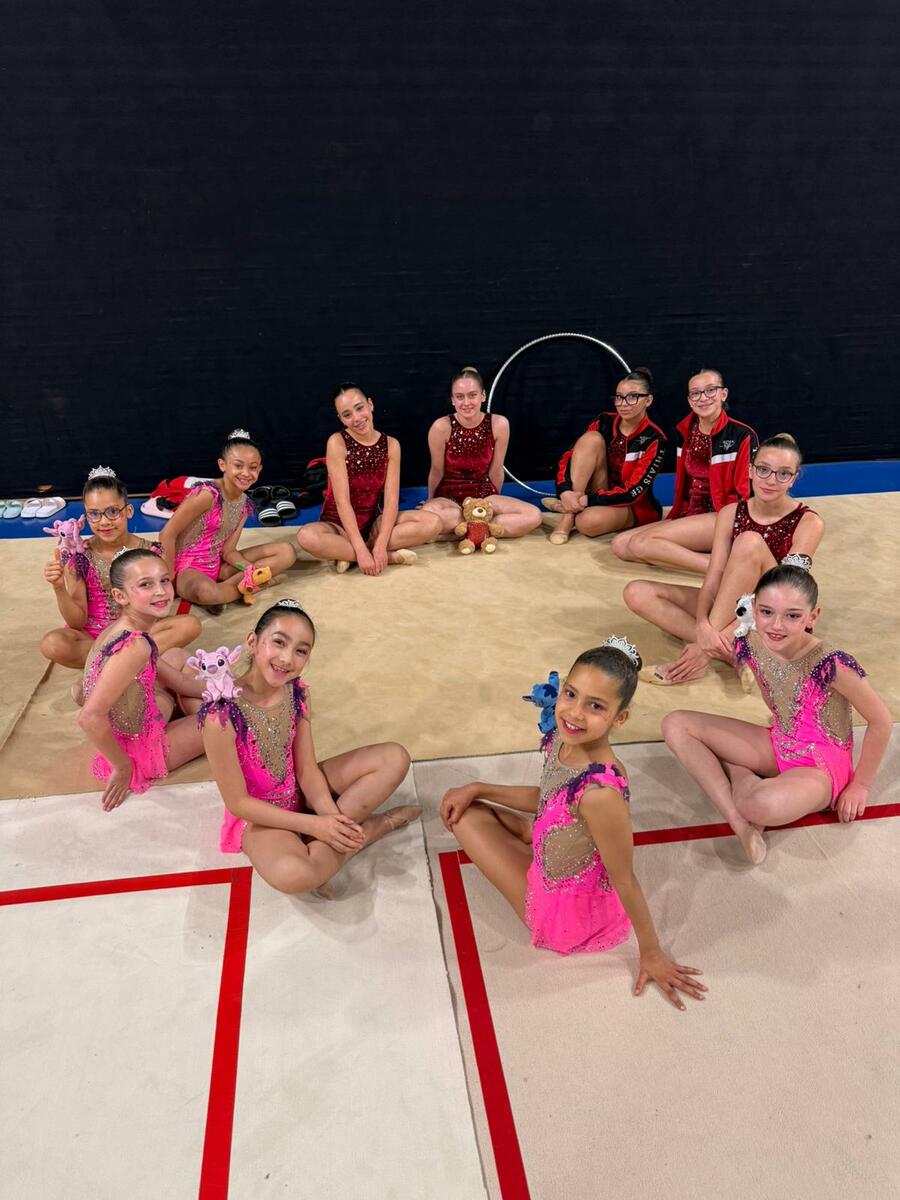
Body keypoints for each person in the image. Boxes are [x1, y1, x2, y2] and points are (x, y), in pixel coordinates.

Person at [440, 639, 706, 1010]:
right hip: (553, 840)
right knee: (468, 803)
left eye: (595, 706)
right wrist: (478, 787)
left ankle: (529, 844)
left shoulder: (601, 793)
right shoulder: (562, 739)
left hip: (564, 906)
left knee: (465, 818)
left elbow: (625, 878)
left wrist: (652, 952)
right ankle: (522, 830)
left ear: (619, 718)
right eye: (571, 694)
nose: (575, 713)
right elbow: (548, 796)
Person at [662, 565, 891, 864]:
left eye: (792, 616)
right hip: (779, 741)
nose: (776, 625)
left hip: (821, 765)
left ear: (813, 616)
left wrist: (861, 785)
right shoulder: (751, 641)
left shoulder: (832, 664)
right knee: (675, 724)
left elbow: (881, 721)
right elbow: (775, 701)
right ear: (754, 608)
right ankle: (739, 823)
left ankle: (738, 773)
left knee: (759, 804)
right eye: (767, 612)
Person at [199, 599, 421, 893]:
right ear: (252, 642)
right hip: (259, 816)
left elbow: (306, 769)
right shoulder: (220, 715)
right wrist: (314, 826)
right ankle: (371, 829)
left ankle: (329, 844)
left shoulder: (297, 692)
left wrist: (330, 817)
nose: (287, 658)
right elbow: (238, 803)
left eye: (301, 651)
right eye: (279, 642)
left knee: (394, 757)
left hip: (298, 790)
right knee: (295, 875)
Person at [624, 434, 824, 684]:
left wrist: (706, 644)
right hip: (730, 605)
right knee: (636, 592)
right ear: (750, 470)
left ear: (794, 478)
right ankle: (736, 654)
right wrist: (702, 625)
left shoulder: (809, 522)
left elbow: (788, 592)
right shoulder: (730, 513)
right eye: (763, 470)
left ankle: (700, 657)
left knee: (749, 541)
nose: (771, 480)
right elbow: (715, 576)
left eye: (783, 474)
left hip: (774, 615)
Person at [78, 548, 206, 811]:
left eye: (164, 580)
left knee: (177, 655)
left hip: (134, 717)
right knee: (225, 719)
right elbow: (89, 717)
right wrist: (122, 766)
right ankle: (198, 712)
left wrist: (227, 688)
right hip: (137, 751)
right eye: (146, 584)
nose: (161, 591)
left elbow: (179, 681)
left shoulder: (125, 629)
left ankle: (195, 708)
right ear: (120, 596)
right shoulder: (135, 645)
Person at [611, 368, 757, 573]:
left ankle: (722, 570)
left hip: (723, 515)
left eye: (710, 390)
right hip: (690, 512)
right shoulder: (686, 431)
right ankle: (712, 556)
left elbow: (749, 494)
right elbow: (684, 484)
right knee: (620, 545)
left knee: (640, 544)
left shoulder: (742, 435)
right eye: (695, 393)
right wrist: (678, 513)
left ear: (723, 394)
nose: (703, 398)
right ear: (689, 400)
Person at [296, 383, 442, 574]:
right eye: (347, 414)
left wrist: (381, 543)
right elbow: (342, 501)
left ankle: (356, 554)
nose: (357, 418)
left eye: (359, 408)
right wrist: (360, 549)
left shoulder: (391, 445)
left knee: (433, 523)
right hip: (338, 526)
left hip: (373, 522)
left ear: (370, 404)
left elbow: (391, 500)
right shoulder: (337, 442)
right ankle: (380, 555)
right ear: (340, 418)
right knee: (307, 536)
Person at [159, 428, 296, 611]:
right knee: (206, 593)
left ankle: (240, 586)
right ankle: (250, 586)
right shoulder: (207, 495)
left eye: (252, 467)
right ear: (222, 465)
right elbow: (166, 534)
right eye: (238, 466)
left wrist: (248, 567)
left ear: (260, 469)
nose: (246, 473)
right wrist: (167, 578)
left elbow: (228, 551)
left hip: (219, 566)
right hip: (186, 568)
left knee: (286, 552)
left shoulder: (244, 503)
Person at [41, 467, 162, 669]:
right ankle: (126, 663)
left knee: (188, 625)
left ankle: (107, 665)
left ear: (128, 511)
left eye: (113, 512)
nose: (104, 522)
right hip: (93, 637)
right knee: (52, 643)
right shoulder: (80, 556)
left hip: (138, 633)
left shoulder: (150, 552)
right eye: (94, 514)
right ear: (86, 517)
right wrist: (59, 588)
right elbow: (76, 623)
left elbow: (159, 607)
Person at [541, 368, 667, 545]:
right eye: (619, 397)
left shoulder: (655, 439)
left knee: (587, 522)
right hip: (598, 490)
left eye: (632, 397)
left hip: (633, 505)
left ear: (648, 400)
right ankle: (567, 517)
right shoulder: (604, 421)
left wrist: (587, 500)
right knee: (591, 439)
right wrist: (565, 491)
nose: (623, 403)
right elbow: (568, 458)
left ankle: (564, 507)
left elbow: (633, 492)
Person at [419, 366, 541, 538]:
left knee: (533, 515)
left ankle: (465, 530)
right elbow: (437, 470)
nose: (466, 403)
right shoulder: (441, 427)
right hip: (449, 498)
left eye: (472, 395)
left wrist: (494, 505)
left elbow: (496, 470)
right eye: (459, 397)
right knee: (429, 514)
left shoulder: (499, 424)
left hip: (484, 496)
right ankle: (482, 528)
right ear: (452, 400)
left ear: (483, 395)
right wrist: (431, 500)